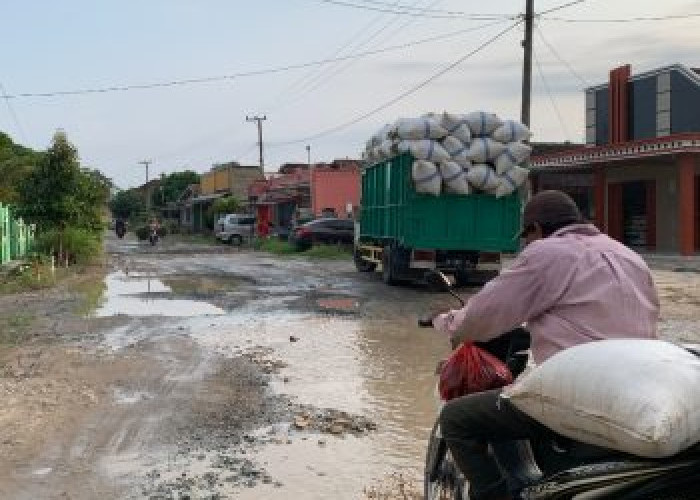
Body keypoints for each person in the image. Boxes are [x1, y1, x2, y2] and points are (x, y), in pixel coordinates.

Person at [432, 190, 660, 500]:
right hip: (641, 388)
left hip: (580, 393)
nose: (526, 244)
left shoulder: (547, 253)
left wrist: (449, 323)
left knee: (457, 419)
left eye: (526, 236)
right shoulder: (628, 255)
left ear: (536, 229)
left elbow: (485, 314)